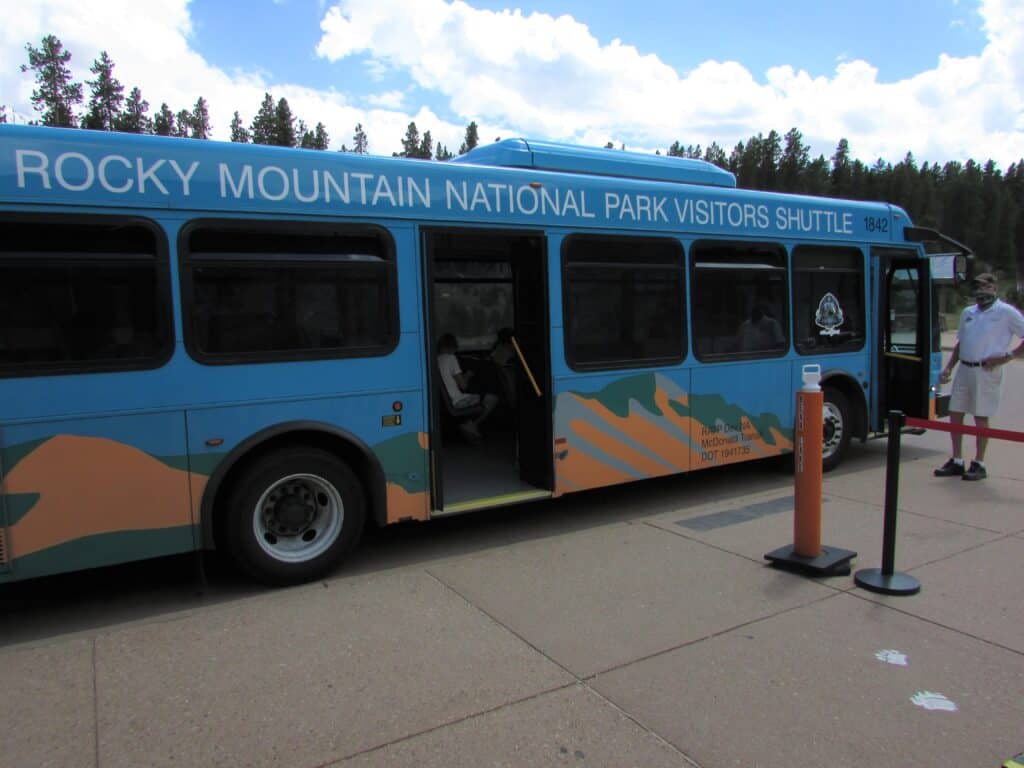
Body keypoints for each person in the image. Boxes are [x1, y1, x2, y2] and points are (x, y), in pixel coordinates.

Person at [934, 273, 1024, 481]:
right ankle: (957, 460)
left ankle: (979, 462)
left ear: (994, 288)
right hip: (965, 369)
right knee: (955, 412)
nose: (981, 291)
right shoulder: (968, 312)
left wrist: (1006, 357)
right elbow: (960, 343)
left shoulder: (1006, 312)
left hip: (986, 371)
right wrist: (949, 367)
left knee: (980, 416)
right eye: (977, 287)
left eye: (985, 286)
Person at [437, 333, 498, 443]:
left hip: (448, 401)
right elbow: (463, 385)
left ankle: (471, 427)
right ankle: (472, 425)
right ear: (453, 347)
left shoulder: (436, 360)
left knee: (481, 395)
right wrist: (468, 375)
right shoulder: (451, 358)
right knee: (492, 399)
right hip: (458, 401)